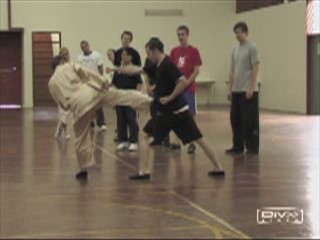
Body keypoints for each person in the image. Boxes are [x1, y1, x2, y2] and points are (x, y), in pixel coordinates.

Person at [107, 37, 225, 180]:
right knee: (199, 138)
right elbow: (136, 70)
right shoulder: (156, 65)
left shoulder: (168, 64)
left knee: (144, 136)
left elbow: (182, 82)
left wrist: (170, 97)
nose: (148, 57)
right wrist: (116, 68)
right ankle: (218, 167)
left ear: (156, 51)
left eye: (149, 53)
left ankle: (144, 172)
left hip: (170, 113)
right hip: (173, 112)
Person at [48, 52, 152, 180]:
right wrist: (103, 82)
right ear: (62, 62)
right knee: (120, 96)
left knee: (81, 137)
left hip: (78, 106)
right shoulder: (69, 66)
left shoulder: (51, 83)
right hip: (92, 94)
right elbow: (87, 73)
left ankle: (82, 168)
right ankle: (148, 101)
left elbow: (62, 105)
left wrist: (73, 105)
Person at [226, 22, 260, 155]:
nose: (237, 35)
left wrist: (251, 88)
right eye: (235, 32)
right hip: (236, 90)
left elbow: (256, 68)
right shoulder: (235, 50)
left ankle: (252, 147)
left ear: (246, 32)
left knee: (249, 120)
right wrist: (230, 88)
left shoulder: (252, 47)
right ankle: (238, 146)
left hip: (248, 90)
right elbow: (232, 70)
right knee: (235, 119)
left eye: (239, 32)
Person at [170, 25, 202, 154]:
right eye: (178, 34)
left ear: (187, 35)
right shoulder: (174, 51)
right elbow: (171, 69)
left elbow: (196, 70)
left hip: (189, 88)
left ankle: (192, 141)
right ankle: (177, 141)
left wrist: (188, 81)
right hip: (178, 89)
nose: (180, 37)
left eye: (182, 34)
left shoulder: (194, 51)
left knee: (190, 115)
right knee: (177, 114)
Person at [113, 47, 142, 151]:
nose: (123, 56)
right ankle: (123, 140)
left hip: (130, 97)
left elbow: (139, 84)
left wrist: (136, 96)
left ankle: (133, 141)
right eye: (122, 54)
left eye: (125, 54)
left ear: (130, 57)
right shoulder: (119, 69)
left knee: (131, 119)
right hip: (120, 97)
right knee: (121, 119)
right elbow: (114, 83)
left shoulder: (134, 69)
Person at [78, 40, 107, 131]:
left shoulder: (96, 55)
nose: (84, 48)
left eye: (85, 46)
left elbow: (100, 68)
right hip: (86, 83)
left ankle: (101, 122)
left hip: (96, 82)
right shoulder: (80, 58)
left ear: (88, 45)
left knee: (98, 102)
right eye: (82, 47)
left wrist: (100, 80)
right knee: (88, 103)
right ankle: (90, 122)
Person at [54, 47, 72, 140]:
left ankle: (60, 127)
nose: (66, 56)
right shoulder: (58, 67)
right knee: (62, 112)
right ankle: (66, 132)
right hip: (61, 92)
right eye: (64, 54)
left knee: (67, 113)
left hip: (70, 91)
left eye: (67, 54)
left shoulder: (71, 66)